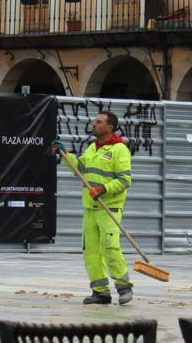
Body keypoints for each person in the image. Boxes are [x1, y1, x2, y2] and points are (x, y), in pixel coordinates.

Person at [51, 111, 133, 305]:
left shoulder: (119, 150)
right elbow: (79, 169)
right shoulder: (91, 148)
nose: (93, 124)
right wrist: (65, 155)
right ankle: (100, 291)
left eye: (98, 122)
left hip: (109, 208)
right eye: (94, 120)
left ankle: (124, 287)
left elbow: (124, 180)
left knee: (110, 248)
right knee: (91, 252)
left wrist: (103, 189)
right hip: (90, 208)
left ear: (109, 127)